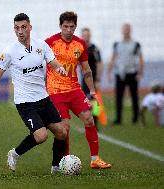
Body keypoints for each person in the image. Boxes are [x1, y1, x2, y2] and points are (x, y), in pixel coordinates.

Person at [0, 13, 67, 172]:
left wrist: (59, 67)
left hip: (43, 98)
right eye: (17, 28)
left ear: (30, 27)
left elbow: (52, 61)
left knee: (61, 132)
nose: (20, 31)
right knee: (41, 136)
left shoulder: (41, 45)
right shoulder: (9, 52)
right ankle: (15, 153)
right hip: (25, 102)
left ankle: (56, 167)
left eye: (23, 27)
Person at [45, 11, 111, 171]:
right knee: (65, 127)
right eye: (65, 26)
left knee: (89, 118)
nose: (68, 29)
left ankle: (95, 159)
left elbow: (86, 70)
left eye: (72, 26)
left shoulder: (80, 44)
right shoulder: (49, 42)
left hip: (74, 89)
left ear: (75, 26)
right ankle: (65, 162)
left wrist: (93, 91)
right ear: (60, 26)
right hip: (55, 91)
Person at [107, 23, 145, 125]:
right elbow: (113, 58)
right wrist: (109, 72)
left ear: (130, 30)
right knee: (119, 97)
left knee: (134, 96)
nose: (126, 31)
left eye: (128, 29)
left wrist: (140, 73)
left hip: (132, 73)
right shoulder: (117, 44)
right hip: (120, 73)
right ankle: (118, 119)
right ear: (122, 30)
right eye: (125, 29)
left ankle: (135, 118)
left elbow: (141, 59)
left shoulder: (136, 44)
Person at [80, 27, 104, 129]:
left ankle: (96, 123)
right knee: (85, 101)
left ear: (90, 36)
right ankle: (89, 122)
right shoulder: (79, 48)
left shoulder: (95, 49)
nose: (86, 37)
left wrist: (98, 79)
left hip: (93, 80)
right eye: (84, 35)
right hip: (84, 80)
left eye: (87, 35)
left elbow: (99, 64)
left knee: (95, 102)